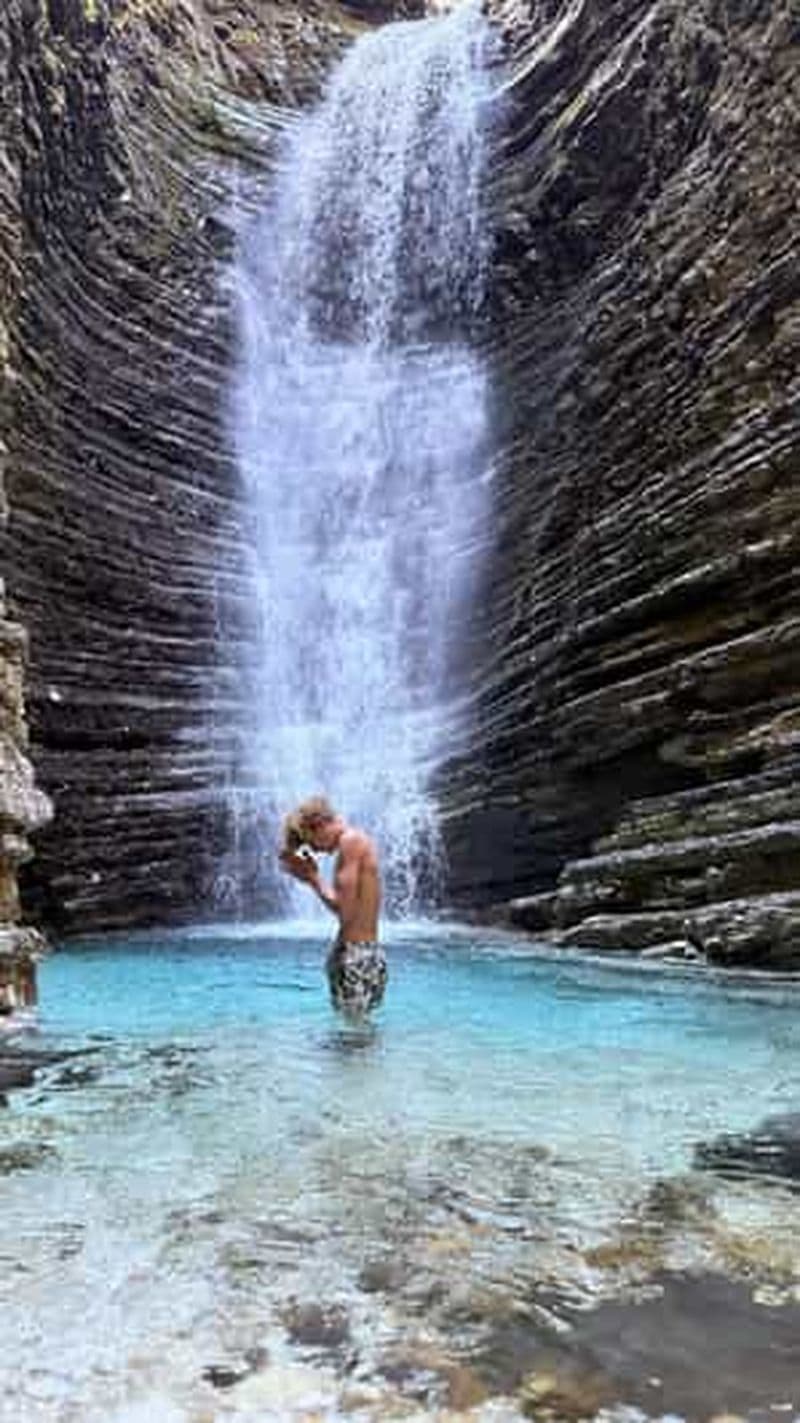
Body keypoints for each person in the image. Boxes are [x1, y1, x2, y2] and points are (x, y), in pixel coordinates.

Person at [279, 796, 386, 1014]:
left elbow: (344, 912)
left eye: (308, 842)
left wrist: (313, 878)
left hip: (357, 956)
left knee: (354, 1038)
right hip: (363, 955)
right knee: (355, 1035)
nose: (314, 851)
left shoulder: (351, 842)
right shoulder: (355, 842)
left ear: (317, 826)